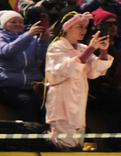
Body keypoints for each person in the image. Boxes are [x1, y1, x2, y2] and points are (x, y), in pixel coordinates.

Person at [45, 13, 110, 147]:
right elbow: (66, 69)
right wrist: (92, 48)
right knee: (65, 144)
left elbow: (95, 71)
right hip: (62, 100)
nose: (84, 31)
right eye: (80, 26)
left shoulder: (82, 48)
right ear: (67, 28)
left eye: (85, 27)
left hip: (79, 100)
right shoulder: (56, 46)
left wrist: (103, 51)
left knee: (78, 142)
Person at [0, 11, 46, 124]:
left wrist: (44, 39)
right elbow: (7, 51)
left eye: (20, 22)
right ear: (4, 25)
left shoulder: (31, 39)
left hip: (28, 86)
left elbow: (42, 56)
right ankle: (29, 135)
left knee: (43, 103)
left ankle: (44, 135)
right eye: (13, 22)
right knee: (26, 102)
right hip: (4, 85)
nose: (18, 24)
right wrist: (28, 35)